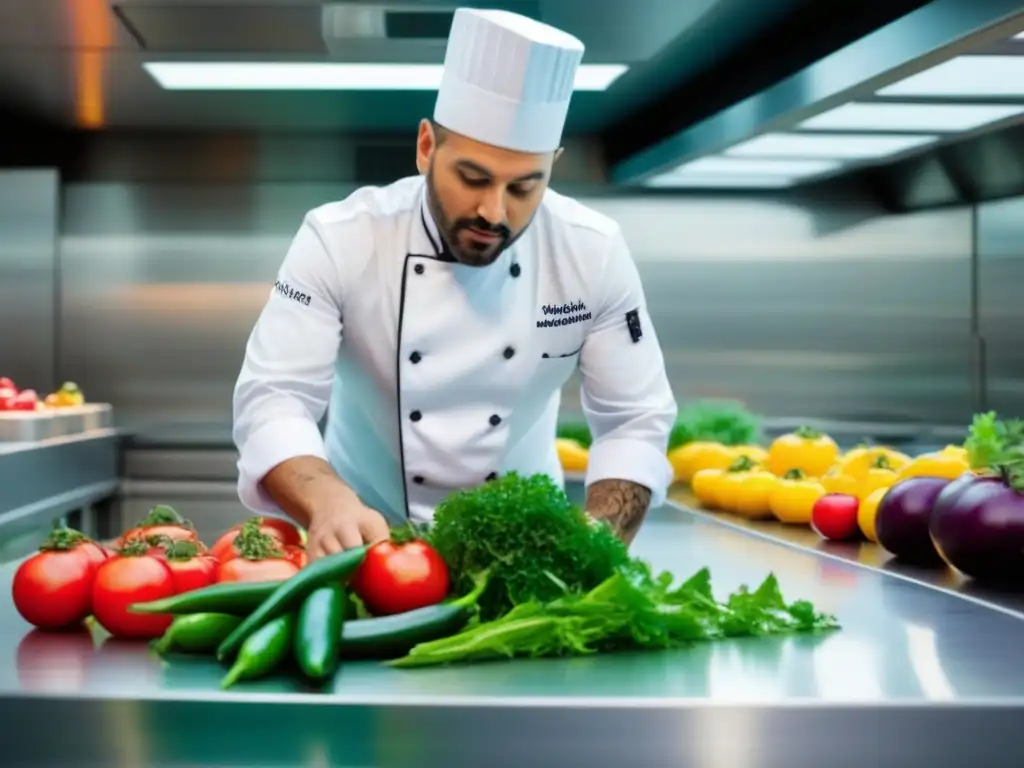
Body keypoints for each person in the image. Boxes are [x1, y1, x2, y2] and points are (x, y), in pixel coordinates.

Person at [232, 7, 678, 561]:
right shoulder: (342, 237)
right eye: (473, 178)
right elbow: (274, 399)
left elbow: (635, 419)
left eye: (524, 187)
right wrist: (327, 502)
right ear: (426, 148)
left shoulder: (592, 250)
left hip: (525, 552)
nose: (494, 212)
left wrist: (590, 546)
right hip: (367, 544)